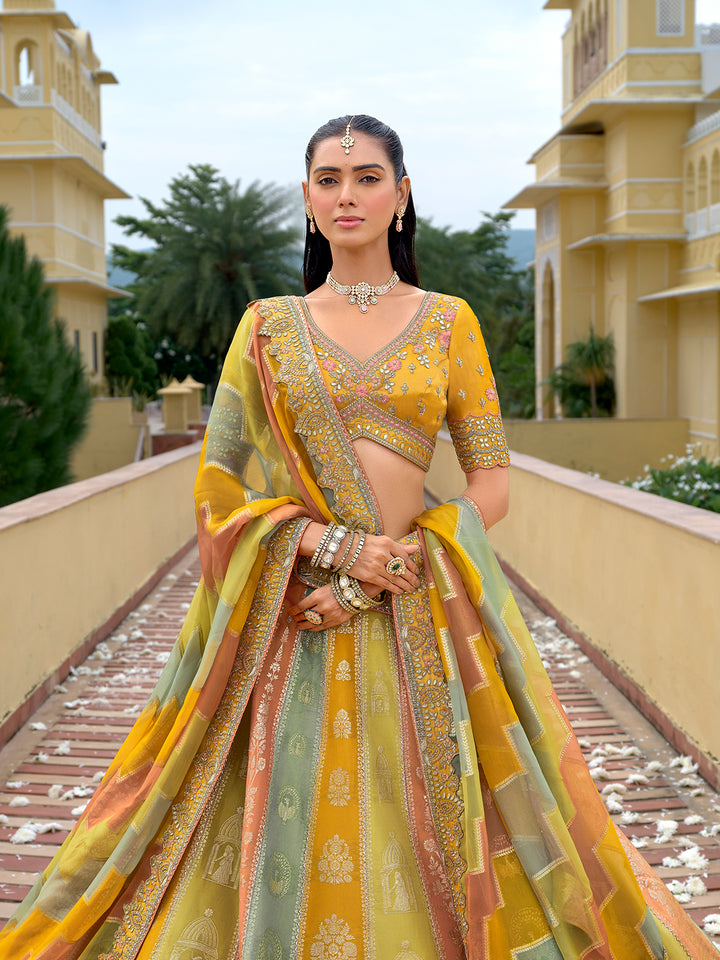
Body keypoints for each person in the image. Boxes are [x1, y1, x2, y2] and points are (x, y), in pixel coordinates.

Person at [0, 115, 715, 960]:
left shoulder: (451, 324)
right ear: (308, 199)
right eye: (330, 179)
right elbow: (217, 481)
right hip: (292, 616)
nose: (349, 194)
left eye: (369, 176)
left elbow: (491, 483)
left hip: (421, 612)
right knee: (278, 813)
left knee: (450, 813)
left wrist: (380, 572)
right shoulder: (265, 330)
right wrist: (327, 552)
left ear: (402, 195)